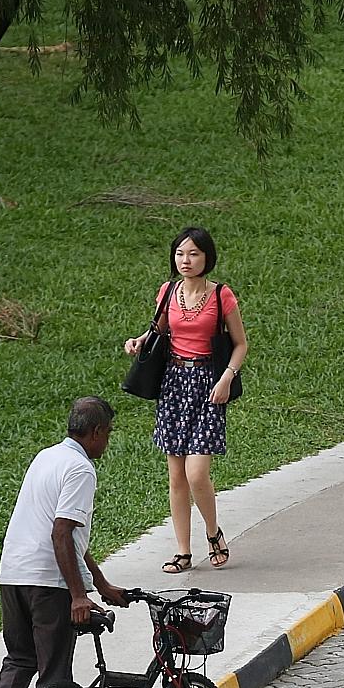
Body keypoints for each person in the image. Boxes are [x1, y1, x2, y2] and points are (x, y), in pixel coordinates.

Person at [0, 396, 129, 688]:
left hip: (13, 574)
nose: (106, 443)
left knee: (20, 658)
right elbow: (61, 532)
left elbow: (70, 536)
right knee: (55, 674)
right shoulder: (81, 469)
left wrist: (101, 583)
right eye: (107, 435)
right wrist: (78, 596)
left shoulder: (46, 457)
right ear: (95, 432)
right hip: (48, 582)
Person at [123, 227, 249, 574]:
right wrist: (139, 339)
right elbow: (161, 331)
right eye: (180, 253)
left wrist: (227, 378)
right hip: (173, 385)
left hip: (209, 384)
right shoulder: (168, 291)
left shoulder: (222, 295)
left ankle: (213, 532)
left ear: (207, 257)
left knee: (196, 473)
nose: (186, 260)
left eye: (193, 254)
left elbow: (241, 343)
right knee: (176, 475)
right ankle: (182, 551)